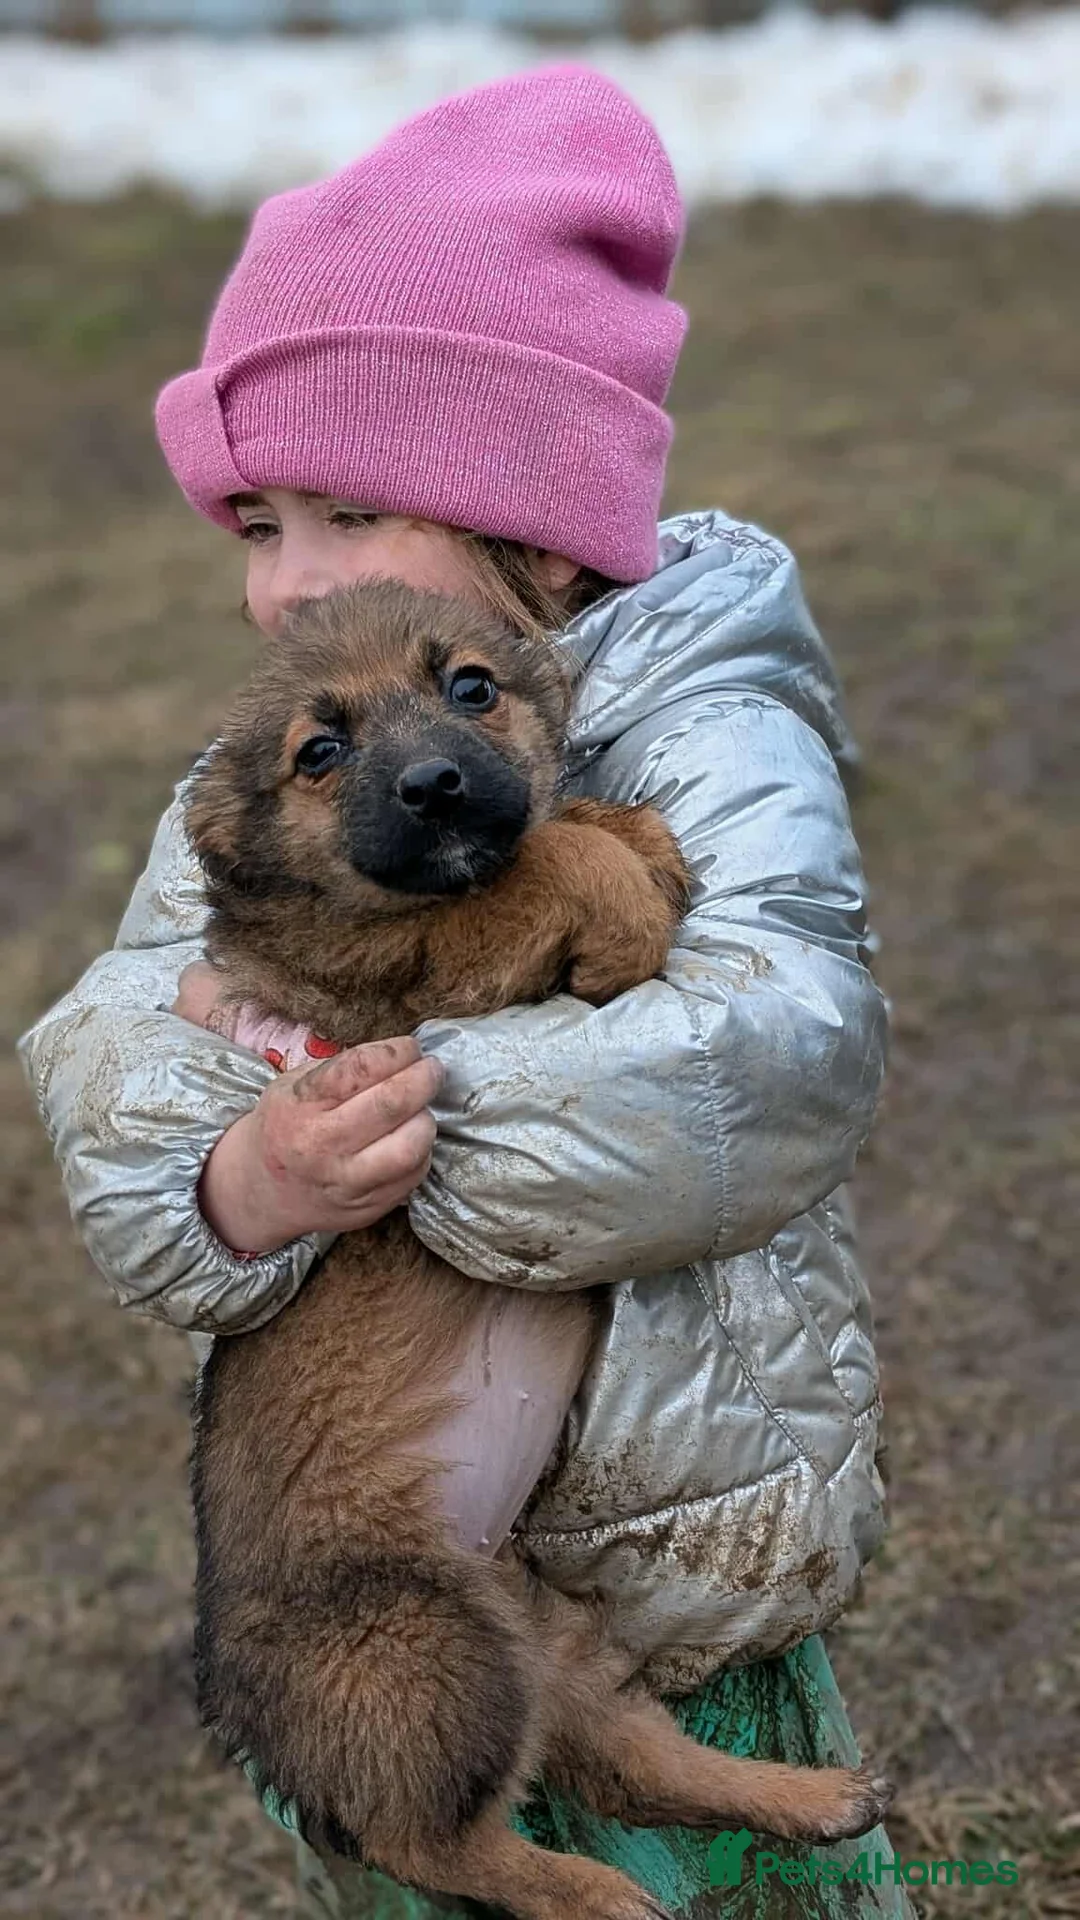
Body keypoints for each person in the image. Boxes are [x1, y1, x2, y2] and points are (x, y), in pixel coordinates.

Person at [19, 65, 912, 1919]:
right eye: (258, 525)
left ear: (529, 513)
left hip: (659, 1521)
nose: (286, 585)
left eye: (346, 513)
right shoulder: (285, 756)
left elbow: (768, 1066)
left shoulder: (721, 727)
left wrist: (395, 1095)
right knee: (418, 1802)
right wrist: (241, 1180)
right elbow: (108, 1039)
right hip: (381, 1528)